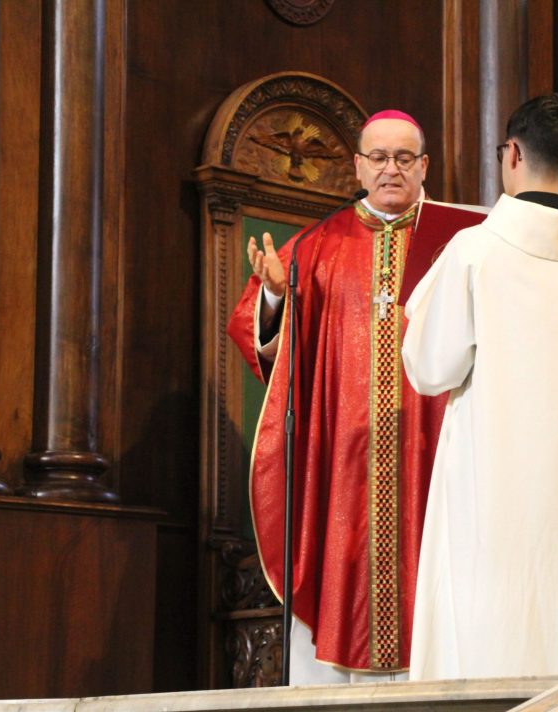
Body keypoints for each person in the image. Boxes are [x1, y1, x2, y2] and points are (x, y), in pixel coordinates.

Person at [227, 110, 484, 683]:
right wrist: (275, 297)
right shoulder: (317, 246)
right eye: (379, 158)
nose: (391, 169)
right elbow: (258, 334)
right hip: (343, 459)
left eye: (403, 158)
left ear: (424, 167)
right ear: (358, 167)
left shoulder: (462, 243)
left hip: (434, 449)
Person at [402, 94, 558, 680]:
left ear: (513, 153)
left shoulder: (476, 250)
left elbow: (429, 369)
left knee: (487, 640)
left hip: (492, 486)